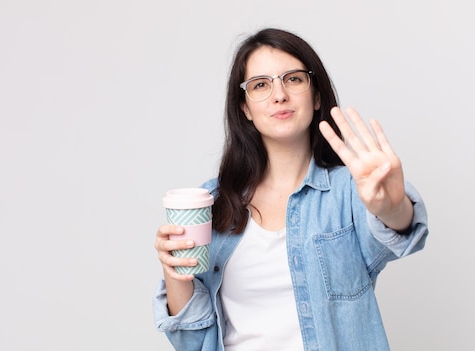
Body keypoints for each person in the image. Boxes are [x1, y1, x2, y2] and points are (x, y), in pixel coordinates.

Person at [153, 27, 429, 351]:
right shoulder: (214, 202)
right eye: (260, 85)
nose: (279, 95)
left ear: (316, 96)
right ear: (245, 109)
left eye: (293, 79)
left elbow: (400, 228)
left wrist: (392, 206)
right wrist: (174, 271)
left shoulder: (348, 191)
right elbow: (191, 340)